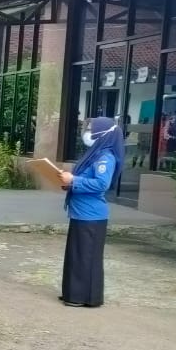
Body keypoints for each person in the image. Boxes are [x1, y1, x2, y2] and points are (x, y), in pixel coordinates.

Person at [59, 117, 123, 308]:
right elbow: (83, 179)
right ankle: (73, 292)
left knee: (86, 257)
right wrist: (69, 183)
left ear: (102, 134)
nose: (87, 132)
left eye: (91, 129)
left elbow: (102, 184)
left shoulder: (105, 157)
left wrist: (74, 181)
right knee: (76, 255)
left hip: (91, 215)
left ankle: (83, 297)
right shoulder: (94, 154)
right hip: (80, 213)